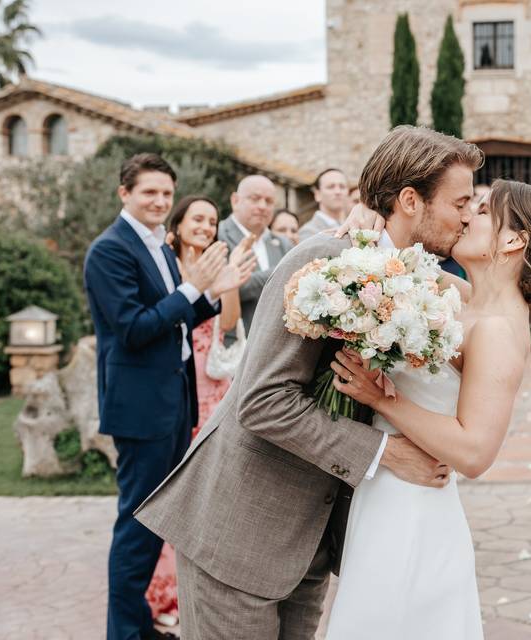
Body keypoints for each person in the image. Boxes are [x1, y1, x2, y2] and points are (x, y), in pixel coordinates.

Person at [134, 126, 486, 640]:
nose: (468, 215)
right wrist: (385, 452)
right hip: (239, 535)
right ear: (410, 200)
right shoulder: (322, 262)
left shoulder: (414, 278)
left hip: (309, 547)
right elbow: (263, 402)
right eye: (460, 202)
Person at [326, 179, 531, 639]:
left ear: (511, 240)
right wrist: (368, 219)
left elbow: (475, 451)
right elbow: (392, 264)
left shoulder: (500, 331)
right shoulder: (466, 299)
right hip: (387, 494)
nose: (467, 216)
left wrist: (381, 398)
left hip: (414, 507)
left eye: (482, 211)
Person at [84, 153, 252, 640]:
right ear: (124, 194)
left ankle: (144, 626)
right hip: (140, 408)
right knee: (136, 528)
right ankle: (125, 633)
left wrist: (212, 293)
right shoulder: (110, 250)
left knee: (159, 521)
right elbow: (134, 330)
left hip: (175, 400)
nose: (159, 202)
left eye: (165, 193)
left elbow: (173, 323)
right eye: (148, 193)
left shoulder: (157, 246)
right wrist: (193, 287)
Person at [146, 195, 257, 627]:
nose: (206, 226)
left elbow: (226, 322)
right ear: (178, 225)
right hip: (176, 380)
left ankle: (193, 587)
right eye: (197, 218)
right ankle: (163, 595)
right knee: (172, 485)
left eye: (211, 221)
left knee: (205, 486)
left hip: (212, 383)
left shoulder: (217, 263)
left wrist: (227, 281)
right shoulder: (166, 266)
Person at [217, 175, 293, 334]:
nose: (263, 206)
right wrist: (284, 272)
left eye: (269, 201)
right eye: (255, 198)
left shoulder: (283, 243)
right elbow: (229, 289)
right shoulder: (218, 235)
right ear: (235, 201)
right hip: (234, 343)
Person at [297, 168, 350, 243]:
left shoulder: (353, 226)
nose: (338, 191)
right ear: (317, 194)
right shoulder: (308, 232)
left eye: (342, 186)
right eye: (331, 187)